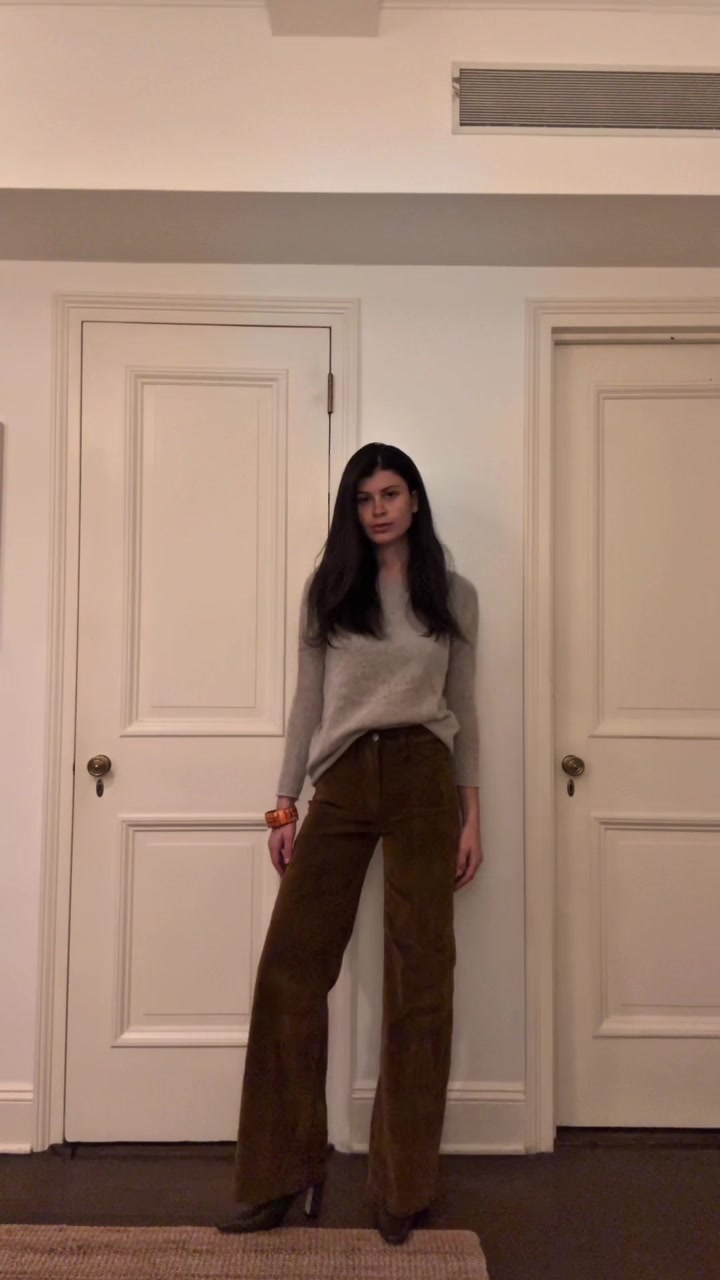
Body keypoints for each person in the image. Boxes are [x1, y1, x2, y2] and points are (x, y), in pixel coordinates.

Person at [217, 442, 482, 1245]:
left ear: (414, 499)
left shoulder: (453, 593)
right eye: (364, 498)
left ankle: (404, 1186)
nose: (378, 509)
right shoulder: (330, 589)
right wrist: (284, 805)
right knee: (291, 969)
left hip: (423, 776)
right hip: (341, 778)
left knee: (420, 975)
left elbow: (464, 706)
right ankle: (279, 1173)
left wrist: (472, 813)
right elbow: (308, 700)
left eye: (391, 493)